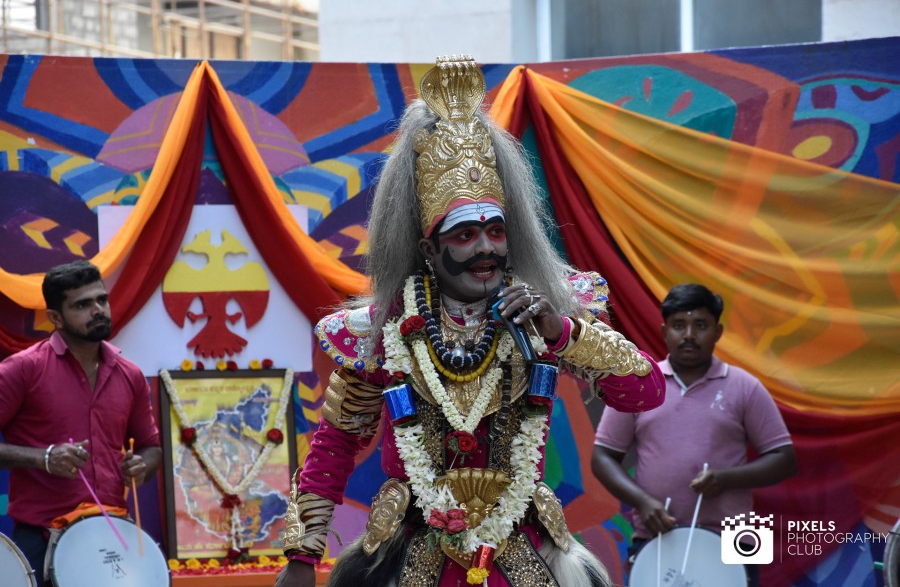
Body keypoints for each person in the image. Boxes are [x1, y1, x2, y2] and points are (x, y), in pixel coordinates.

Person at [275, 56, 665, 587]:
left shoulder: (540, 314)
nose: (486, 247)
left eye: (496, 230)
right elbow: (336, 441)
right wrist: (302, 556)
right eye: (463, 235)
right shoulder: (387, 328)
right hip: (409, 552)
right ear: (428, 250)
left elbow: (646, 392)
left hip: (524, 550)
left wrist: (563, 332)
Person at [591, 283, 797, 586]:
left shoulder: (745, 386)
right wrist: (643, 501)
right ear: (664, 331)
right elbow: (602, 457)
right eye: (679, 325)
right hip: (657, 534)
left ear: (718, 331)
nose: (689, 335)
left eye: (700, 325)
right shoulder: (639, 384)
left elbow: (785, 459)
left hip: (737, 537)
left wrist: (726, 479)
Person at [0, 260, 161, 586]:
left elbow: (152, 447)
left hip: (113, 536)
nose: (98, 310)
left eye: (101, 300)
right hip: (41, 539)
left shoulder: (129, 374)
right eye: (83, 305)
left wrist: (141, 465)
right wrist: (44, 458)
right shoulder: (23, 369)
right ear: (56, 319)